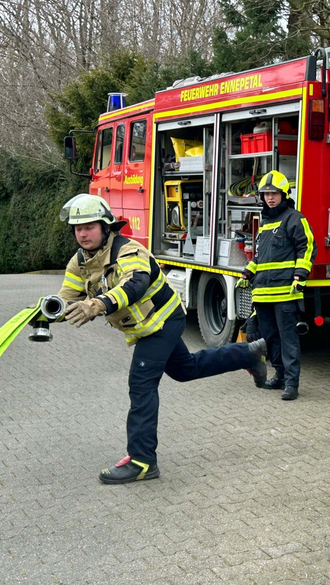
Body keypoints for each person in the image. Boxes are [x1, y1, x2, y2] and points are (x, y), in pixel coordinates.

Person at [52, 194, 267, 484]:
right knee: (185, 369)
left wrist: (98, 304)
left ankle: (142, 461)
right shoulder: (80, 262)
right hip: (146, 327)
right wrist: (45, 313)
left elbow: (136, 284)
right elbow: (65, 300)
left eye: (89, 226)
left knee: (141, 383)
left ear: (106, 227)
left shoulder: (127, 251)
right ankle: (248, 354)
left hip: (165, 321)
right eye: (78, 228)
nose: (82, 233)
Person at [237, 171, 317, 401]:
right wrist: (247, 272)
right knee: (271, 339)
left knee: (288, 339)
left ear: (284, 194)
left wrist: (300, 275)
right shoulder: (265, 222)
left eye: (274, 194)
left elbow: (308, 247)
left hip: (284, 292)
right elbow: (261, 256)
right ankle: (279, 377)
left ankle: (292, 384)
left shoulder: (295, 218)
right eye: (266, 194)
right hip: (263, 293)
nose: (270, 198)